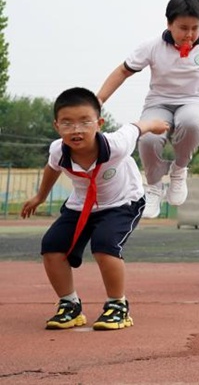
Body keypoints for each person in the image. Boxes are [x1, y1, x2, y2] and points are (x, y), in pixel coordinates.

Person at [20, 87, 169, 330]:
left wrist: (155, 124)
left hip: (123, 201)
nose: (76, 130)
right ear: (57, 126)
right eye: (67, 123)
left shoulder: (116, 145)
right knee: (52, 247)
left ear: (99, 123)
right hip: (81, 205)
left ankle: (117, 306)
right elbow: (52, 168)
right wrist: (39, 196)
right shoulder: (58, 150)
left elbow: (137, 127)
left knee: (105, 246)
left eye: (84, 122)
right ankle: (70, 305)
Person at [97, 0, 199, 218]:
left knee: (191, 122)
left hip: (194, 100)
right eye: (183, 28)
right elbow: (124, 70)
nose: (190, 34)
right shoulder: (152, 47)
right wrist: (99, 99)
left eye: (195, 28)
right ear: (169, 24)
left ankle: (179, 169)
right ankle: (154, 185)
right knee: (148, 138)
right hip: (159, 102)